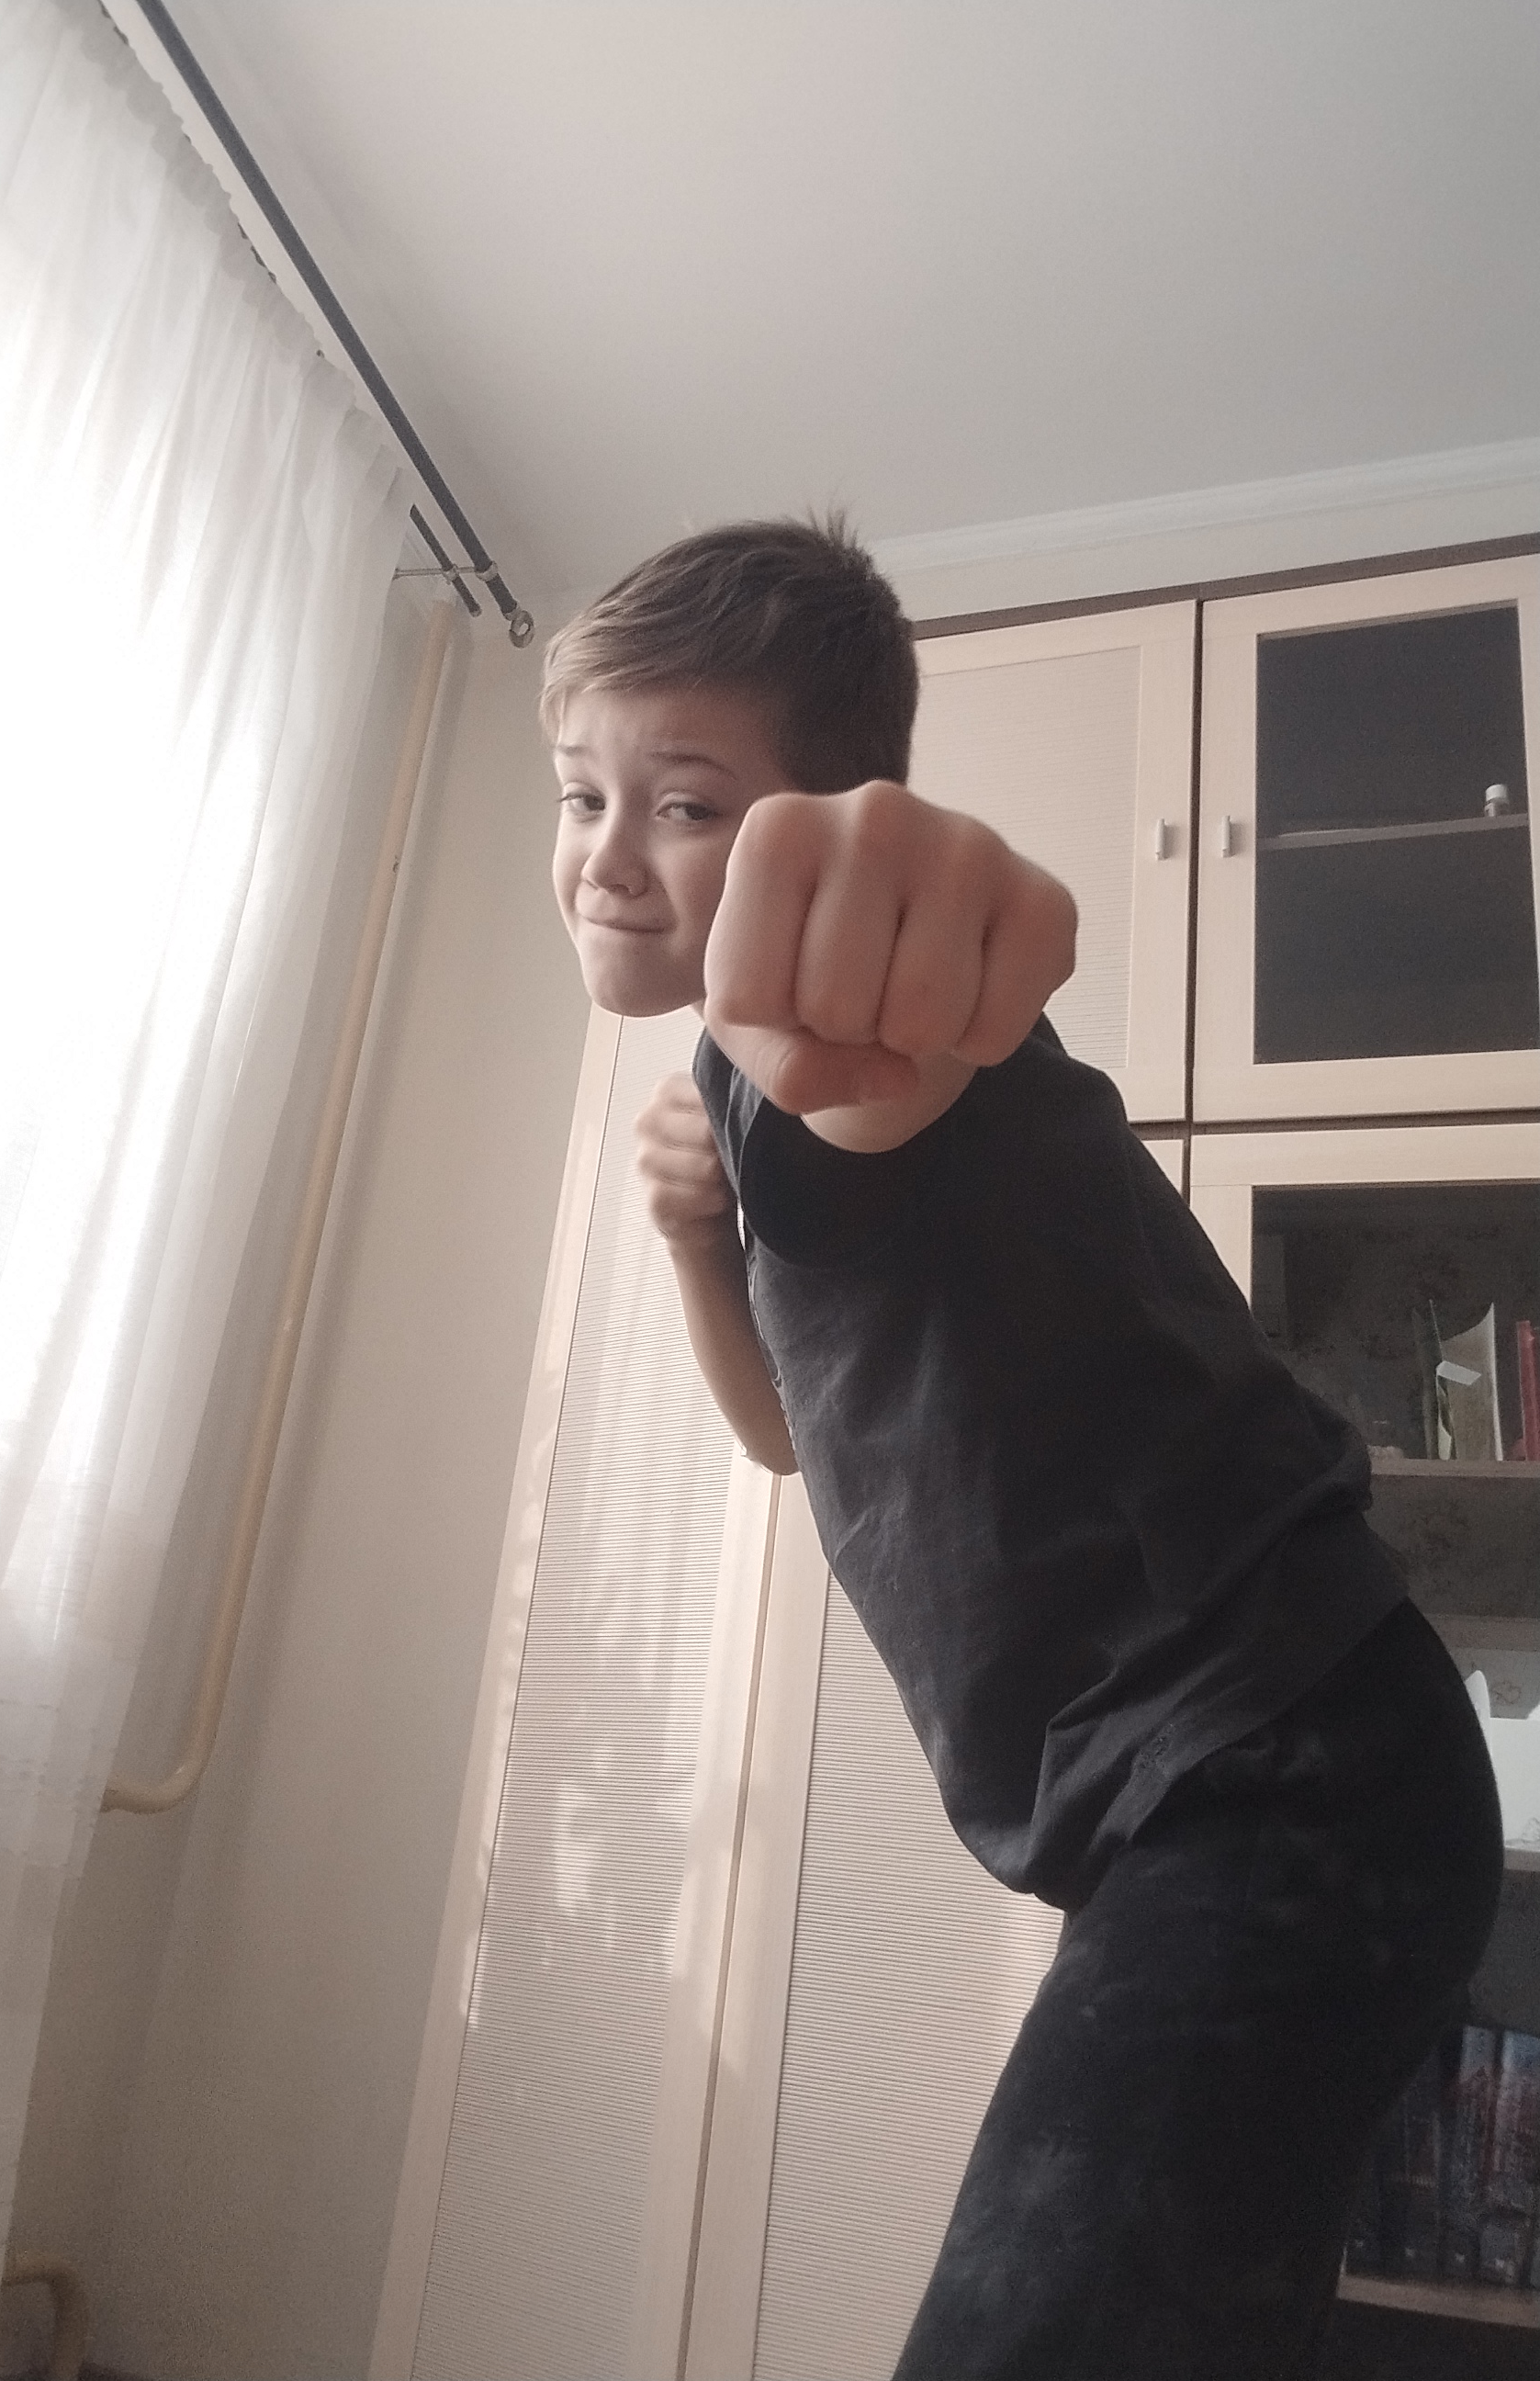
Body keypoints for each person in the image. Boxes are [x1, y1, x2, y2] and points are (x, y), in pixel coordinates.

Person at [541, 516, 1506, 2380]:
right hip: (1216, 1801)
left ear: (825, 814)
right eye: (585, 794)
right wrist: (691, 1242)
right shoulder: (739, 1100)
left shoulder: (839, 1048)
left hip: (1283, 1770)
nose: (606, 854)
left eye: (688, 803)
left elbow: (891, 1051)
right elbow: (786, 1441)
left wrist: (928, 906)